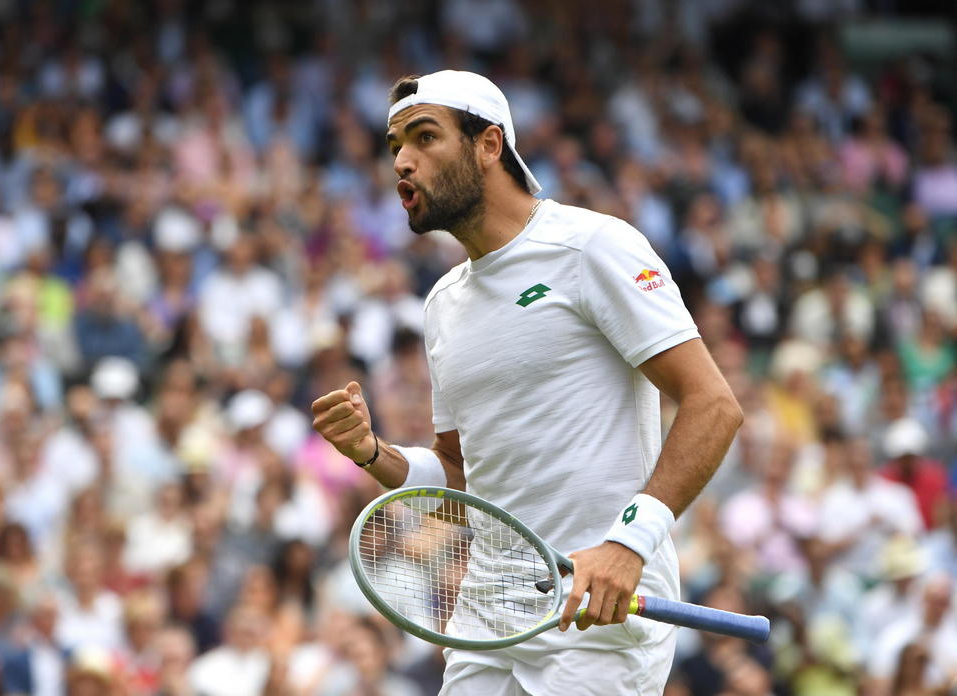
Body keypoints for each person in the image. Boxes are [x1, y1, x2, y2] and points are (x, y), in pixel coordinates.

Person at [311, 70, 743, 695]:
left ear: (489, 145)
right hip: (486, 613)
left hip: (596, 610)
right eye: (394, 145)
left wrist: (629, 544)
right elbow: (464, 478)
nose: (402, 161)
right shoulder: (441, 304)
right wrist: (375, 455)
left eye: (424, 137)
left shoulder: (593, 246)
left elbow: (714, 405)